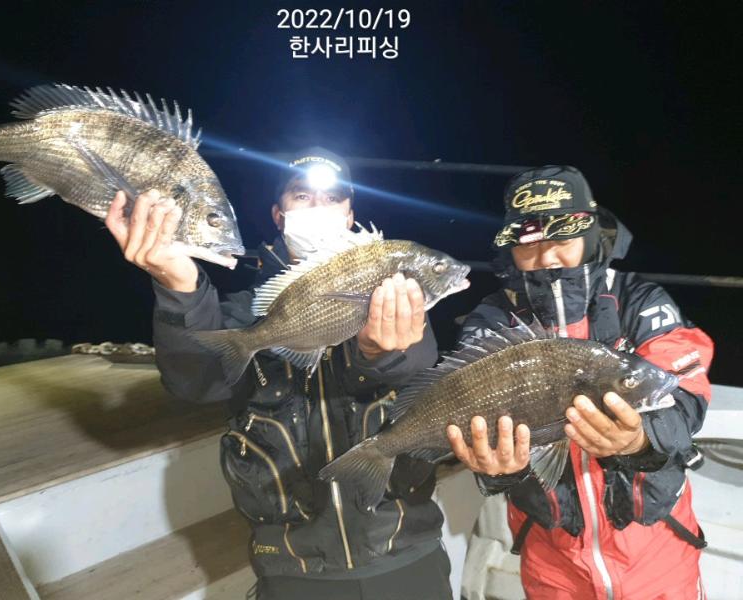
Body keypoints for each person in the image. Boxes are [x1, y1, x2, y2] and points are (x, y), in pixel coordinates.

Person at [105, 147, 453, 600]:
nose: (318, 208)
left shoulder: (394, 294)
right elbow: (195, 383)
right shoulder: (248, 311)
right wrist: (178, 287)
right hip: (294, 566)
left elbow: (419, 368)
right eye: (302, 196)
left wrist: (378, 353)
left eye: (332, 199)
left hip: (408, 550)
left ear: (350, 215)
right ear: (279, 214)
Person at [447, 165, 714, 599]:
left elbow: (685, 394)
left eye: (563, 236)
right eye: (529, 241)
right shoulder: (492, 321)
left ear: (589, 233)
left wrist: (641, 439)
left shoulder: (639, 300)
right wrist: (494, 471)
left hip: (658, 550)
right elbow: (469, 416)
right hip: (552, 561)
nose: (547, 256)